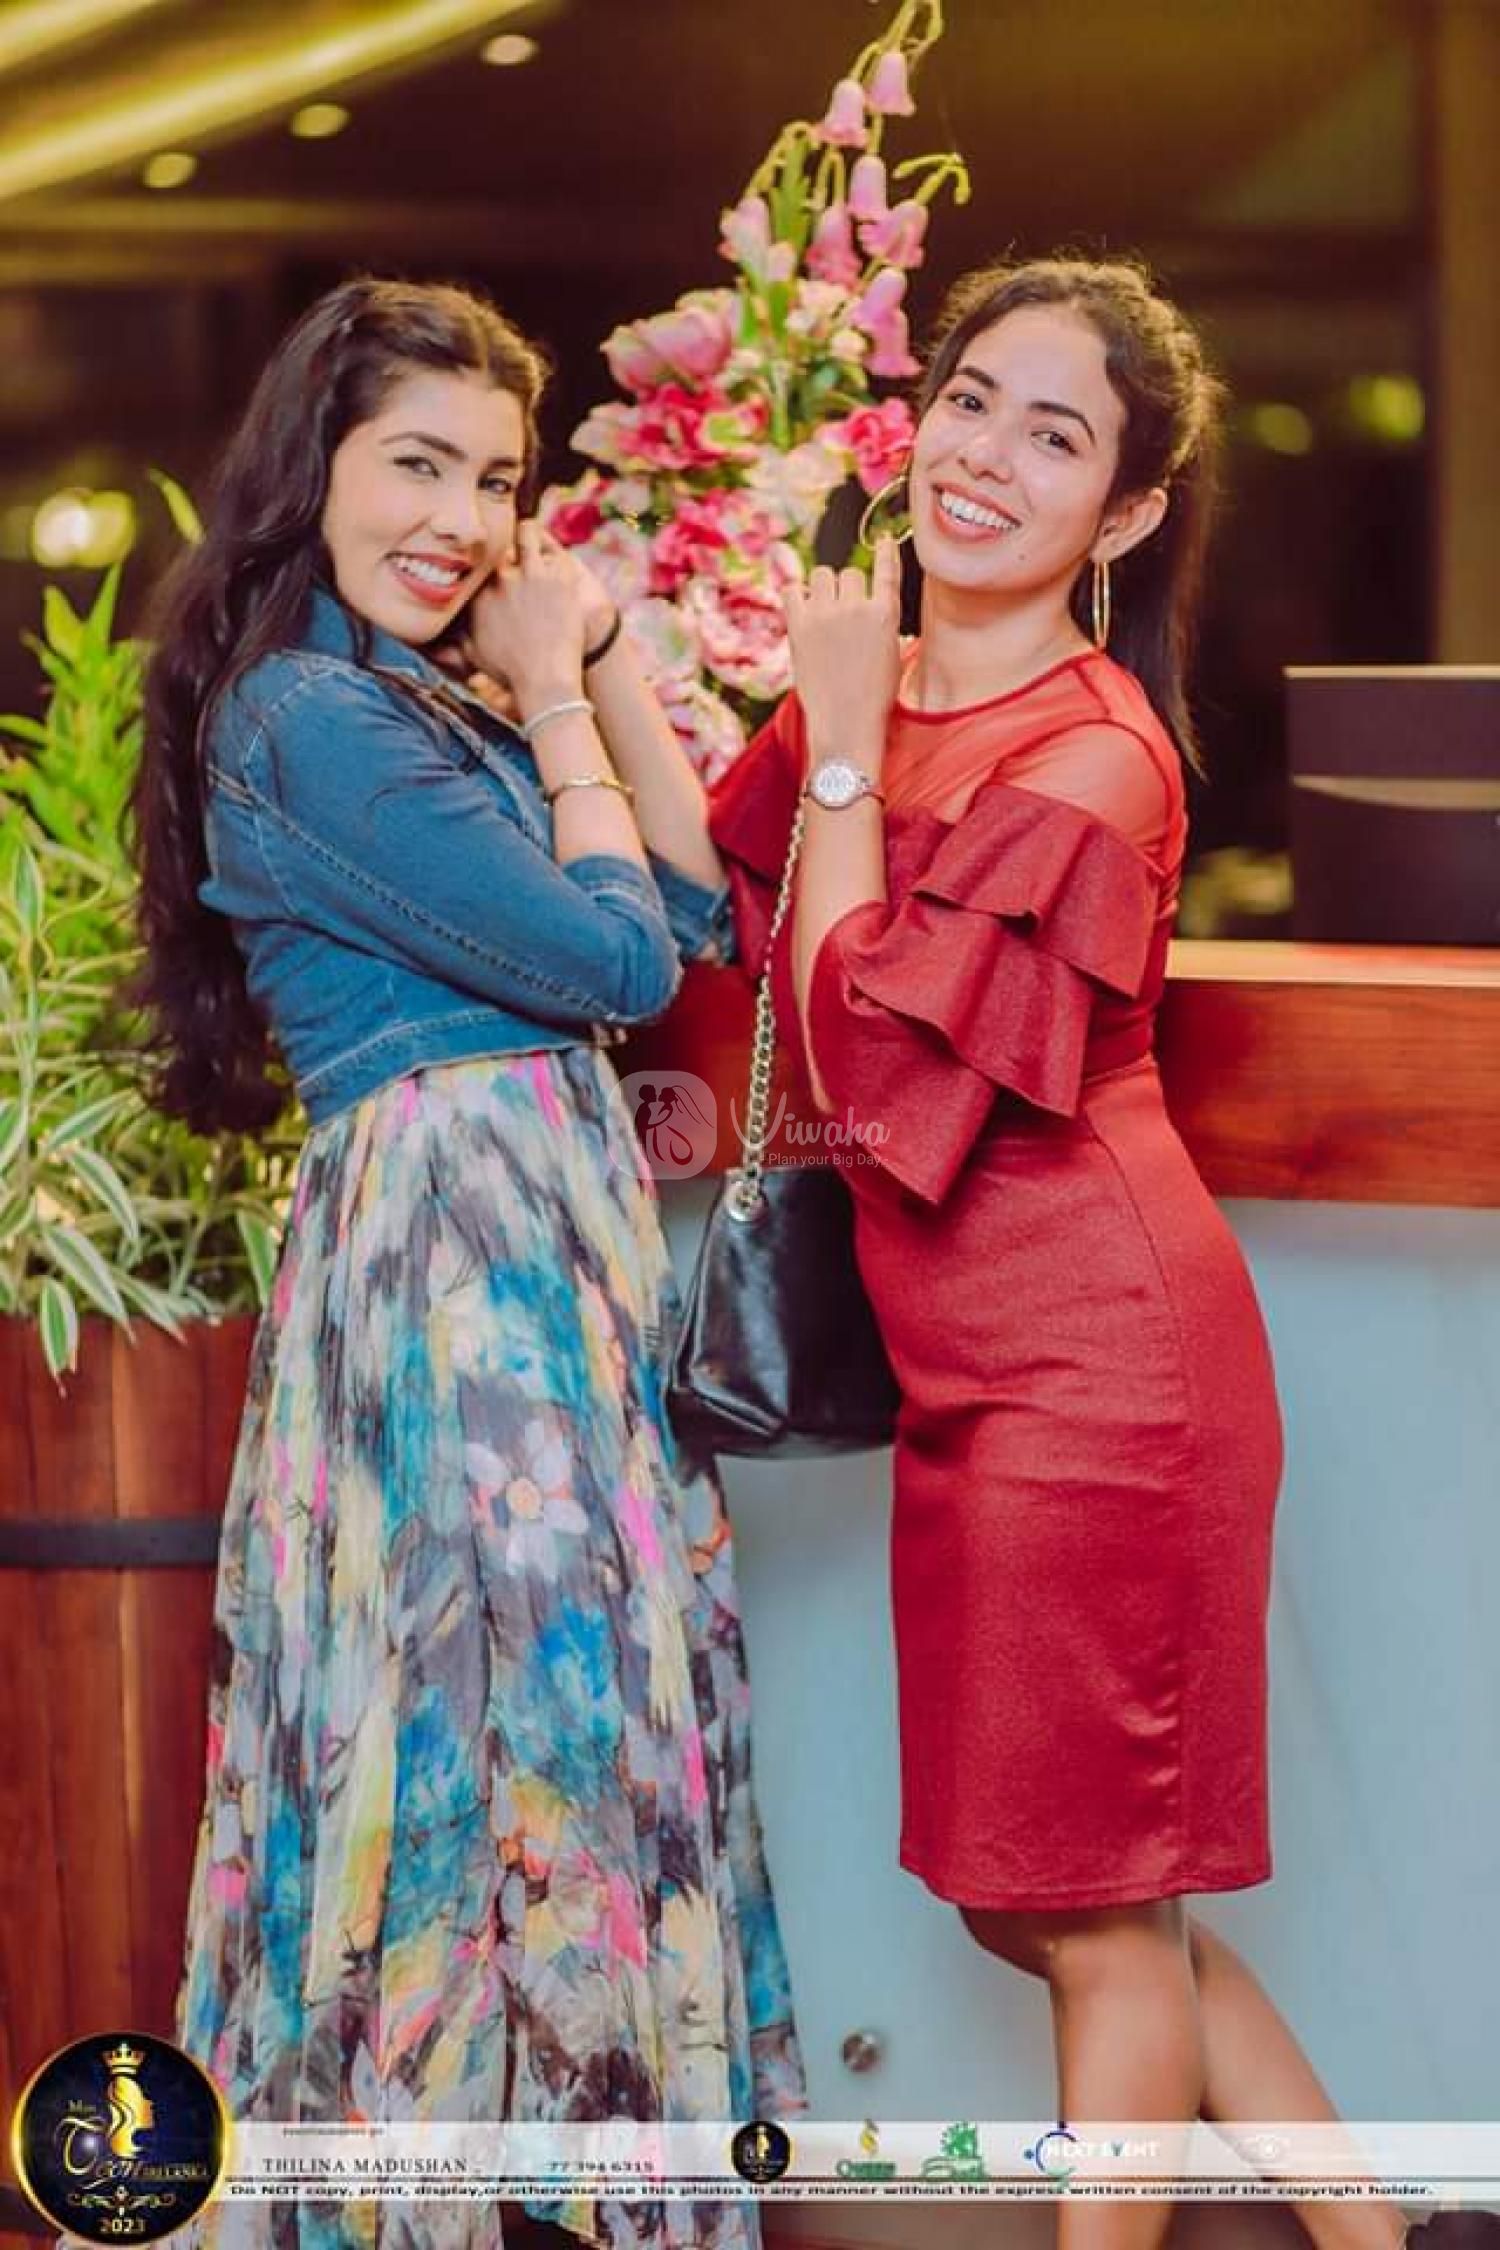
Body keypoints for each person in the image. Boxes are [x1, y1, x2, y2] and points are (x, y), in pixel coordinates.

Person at [708, 255, 1482, 2250]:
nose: (985, 455)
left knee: (1099, 1911)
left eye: (1053, 436)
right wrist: (581, 677)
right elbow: (730, 890)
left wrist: (846, 741)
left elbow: (873, 1061)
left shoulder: (1094, 752)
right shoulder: (875, 689)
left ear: (1124, 514)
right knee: (1040, 1900)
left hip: (1104, 1371)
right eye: (971, 400)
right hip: (977, 1375)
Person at [130, 274, 804, 2250]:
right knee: (491, 1741)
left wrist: (584, 656)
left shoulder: (426, 696)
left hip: (533, 1242)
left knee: (555, 1741)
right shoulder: (307, 713)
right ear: (315, 466)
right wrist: (560, 703)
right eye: (415, 463)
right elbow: (609, 960)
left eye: (494, 480)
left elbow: (692, 906)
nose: (455, 517)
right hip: (451, 1251)